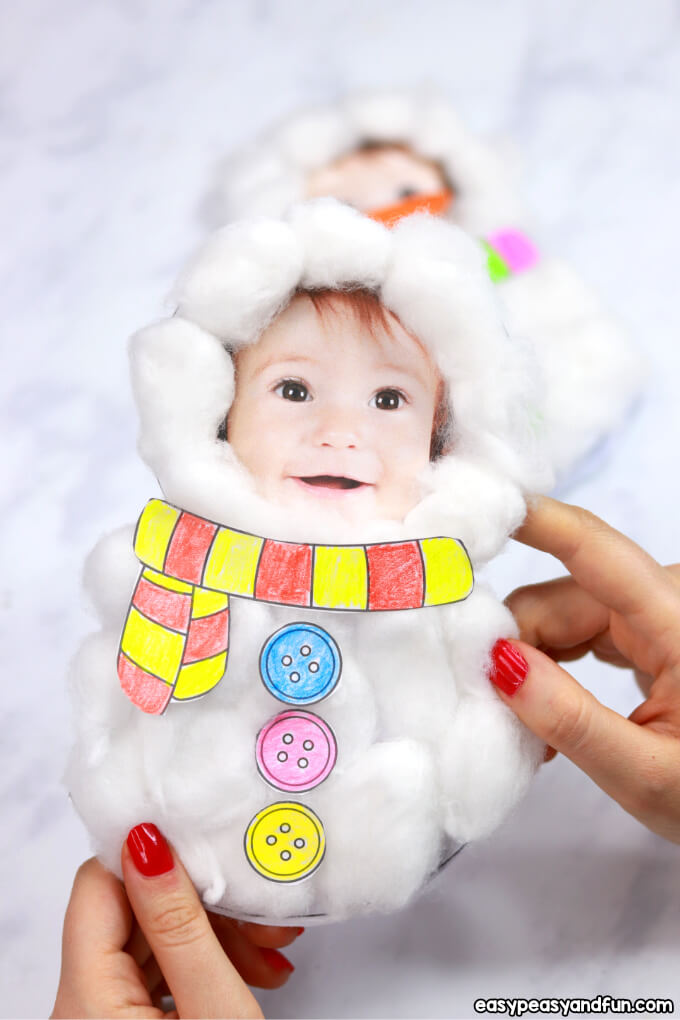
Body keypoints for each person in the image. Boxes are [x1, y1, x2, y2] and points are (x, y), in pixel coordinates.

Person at [54, 494, 680, 1016]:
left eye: (388, 400)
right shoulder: (191, 574)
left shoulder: (426, 590)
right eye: (293, 392)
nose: (338, 437)